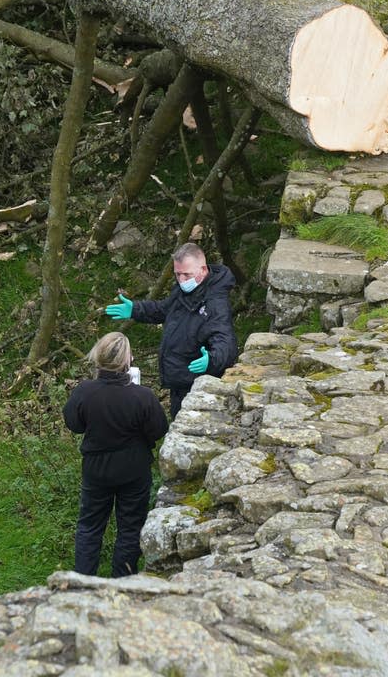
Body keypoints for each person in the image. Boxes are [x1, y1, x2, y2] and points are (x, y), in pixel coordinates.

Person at [63, 331, 168, 578]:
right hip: (133, 468)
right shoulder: (142, 396)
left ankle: (83, 581)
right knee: (130, 528)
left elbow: (74, 424)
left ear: (98, 357)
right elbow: (159, 429)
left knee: (89, 526)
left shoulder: (84, 392)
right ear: (128, 359)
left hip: (96, 468)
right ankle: (123, 582)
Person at [105, 242, 238, 418]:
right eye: (177, 274)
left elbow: (225, 340)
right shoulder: (185, 291)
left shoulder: (215, 303)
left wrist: (213, 360)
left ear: (203, 270)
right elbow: (164, 309)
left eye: (186, 274)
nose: (182, 280)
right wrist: (136, 309)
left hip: (195, 383)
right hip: (178, 379)